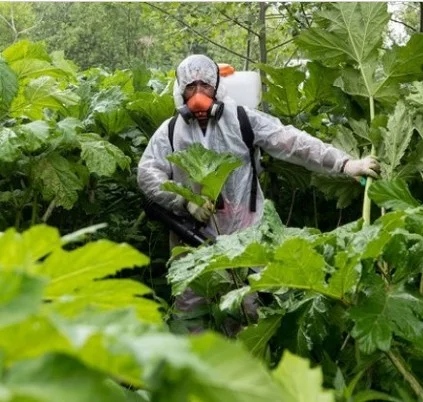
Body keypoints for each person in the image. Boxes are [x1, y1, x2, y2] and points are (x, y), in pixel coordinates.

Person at [137, 54, 379, 332]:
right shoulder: (170, 132)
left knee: (248, 309)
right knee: (191, 313)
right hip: (192, 238)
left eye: (205, 85)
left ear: (218, 86)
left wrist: (345, 163)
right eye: (191, 87)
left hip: (245, 237)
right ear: (180, 91)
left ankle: (250, 368)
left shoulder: (241, 120)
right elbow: (147, 173)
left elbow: (292, 142)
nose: (199, 94)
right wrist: (184, 203)